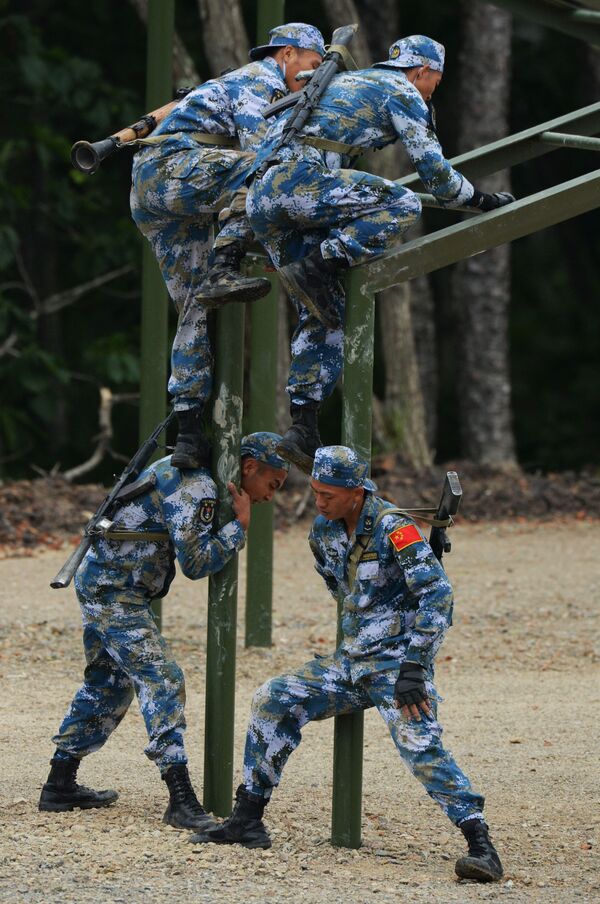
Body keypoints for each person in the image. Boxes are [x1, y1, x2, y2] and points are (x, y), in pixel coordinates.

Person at [189, 445, 504, 883]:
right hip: (350, 664)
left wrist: (415, 665)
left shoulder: (395, 528)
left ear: (357, 492)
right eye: (316, 492)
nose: (319, 502)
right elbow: (343, 593)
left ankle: (481, 846)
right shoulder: (323, 532)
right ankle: (248, 820)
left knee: (420, 746)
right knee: (272, 699)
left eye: (329, 495)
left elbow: (438, 596)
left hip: (397, 668)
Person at [208, 35, 513, 473]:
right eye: (434, 83)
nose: (432, 92)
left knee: (325, 310)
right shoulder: (402, 90)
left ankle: (303, 425)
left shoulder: (346, 84)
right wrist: (482, 201)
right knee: (402, 204)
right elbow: (436, 177)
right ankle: (321, 263)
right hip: (296, 185)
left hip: (262, 199)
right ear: (422, 72)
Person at [39, 433, 289, 832]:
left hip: (106, 583)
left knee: (109, 683)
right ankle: (180, 798)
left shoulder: (190, 474)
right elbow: (197, 562)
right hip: (115, 593)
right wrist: (239, 526)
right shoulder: (198, 486)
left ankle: (59, 783)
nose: (270, 496)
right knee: (163, 678)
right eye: (271, 484)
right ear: (249, 468)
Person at [130, 24, 325, 469]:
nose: (312, 77)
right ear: (288, 54)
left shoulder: (237, 83)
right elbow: (262, 156)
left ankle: (188, 435)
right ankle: (225, 264)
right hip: (174, 170)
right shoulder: (260, 79)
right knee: (268, 169)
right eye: (312, 67)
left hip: (156, 192)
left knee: (195, 307)